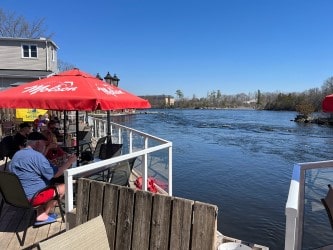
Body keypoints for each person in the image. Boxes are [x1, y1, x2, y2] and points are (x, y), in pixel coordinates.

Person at [9, 132, 77, 226]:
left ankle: (40, 211)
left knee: (48, 184)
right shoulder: (37, 156)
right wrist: (70, 161)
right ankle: (43, 215)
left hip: (16, 196)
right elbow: (56, 174)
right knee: (64, 186)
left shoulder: (17, 155)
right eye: (44, 145)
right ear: (37, 143)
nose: (45, 147)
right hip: (32, 197)